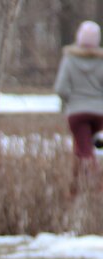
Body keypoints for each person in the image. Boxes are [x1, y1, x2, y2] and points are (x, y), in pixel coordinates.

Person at [54, 20, 103, 194]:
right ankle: (74, 190)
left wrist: (71, 100)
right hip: (99, 114)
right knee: (82, 148)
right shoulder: (101, 60)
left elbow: (61, 88)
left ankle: (98, 190)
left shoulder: (70, 58)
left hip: (77, 113)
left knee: (84, 153)